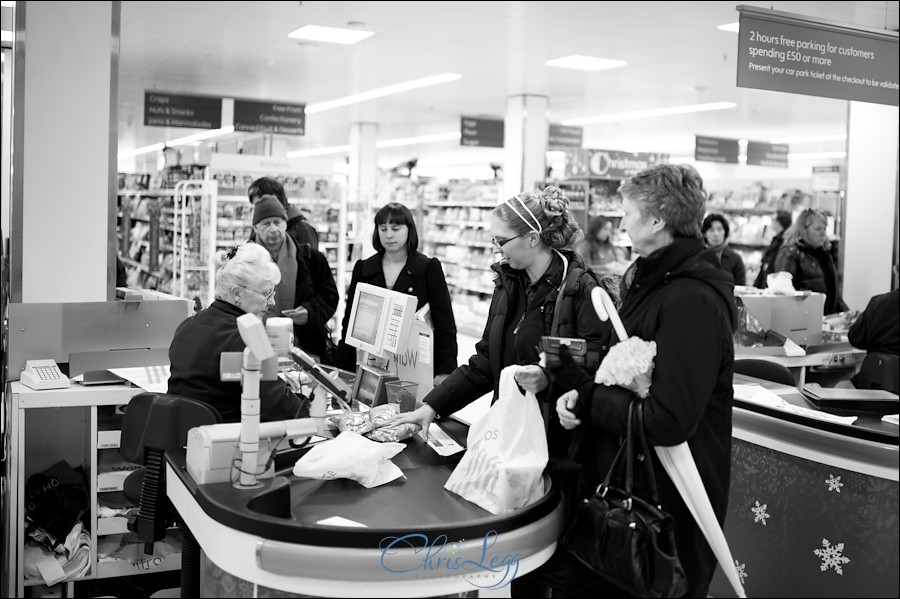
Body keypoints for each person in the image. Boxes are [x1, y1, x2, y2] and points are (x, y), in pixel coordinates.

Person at [393, 186, 610, 597]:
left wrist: (551, 377)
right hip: (511, 443)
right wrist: (430, 408)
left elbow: (598, 361)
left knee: (552, 564)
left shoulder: (580, 289)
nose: (496, 249)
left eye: (501, 241)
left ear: (533, 237)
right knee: (518, 564)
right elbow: (485, 363)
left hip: (558, 450)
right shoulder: (509, 284)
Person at [548, 163, 737, 598]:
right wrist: (582, 394)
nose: (621, 222)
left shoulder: (693, 299)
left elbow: (669, 418)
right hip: (633, 490)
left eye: (628, 213)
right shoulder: (655, 282)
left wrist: (590, 400)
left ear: (656, 220)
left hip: (662, 507)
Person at [167, 242, 307, 423]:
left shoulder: (187, 326)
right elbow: (281, 408)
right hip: (229, 445)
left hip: (181, 439)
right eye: (266, 294)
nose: (272, 302)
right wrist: (310, 405)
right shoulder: (247, 338)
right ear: (237, 293)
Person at [336, 202, 458, 383]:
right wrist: (344, 371)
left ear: (409, 229)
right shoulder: (364, 268)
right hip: (371, 363)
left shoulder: (427, 267)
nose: (389, 235)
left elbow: (444, 323)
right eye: (383, 228)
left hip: (415, 363)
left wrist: (445, 372)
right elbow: (350, 322)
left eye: (396, 228)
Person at [251, 195, 339, 362]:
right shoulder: (243, 261)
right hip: (255, 349)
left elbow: (330, 297)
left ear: (286, 223)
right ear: (255, 228)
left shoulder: (311, 258)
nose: (273, 229)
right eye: (265, 224)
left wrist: (309, 312)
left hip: (304, 351)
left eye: (277, 222)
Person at [774, 208, 848, 314]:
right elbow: (782, 293)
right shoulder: (790, 252)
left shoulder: (824, 253)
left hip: (824, 320)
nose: (823, 233)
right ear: (803, 229)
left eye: (824, 229)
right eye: (818, 229)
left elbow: (832, 290)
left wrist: (845, 314)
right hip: (803, 321)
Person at [247, 176, 319, 250]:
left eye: (260, 204)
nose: (257, 210)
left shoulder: (303, 229)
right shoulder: (259, 227)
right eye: (255, 206)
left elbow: (310, 260)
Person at [702, 213, 746, 286]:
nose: (716, 234)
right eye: (711, 230)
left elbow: (740, 288)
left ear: (725, 232)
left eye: (719, 230)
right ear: (705, 234)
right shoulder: (698, 256)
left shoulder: (735, 259)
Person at [754, 209, 792, 288]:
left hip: (772, 284)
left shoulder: (783, 242)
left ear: (778, 222)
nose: (771, 222)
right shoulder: (778, 240)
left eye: (773, 220)